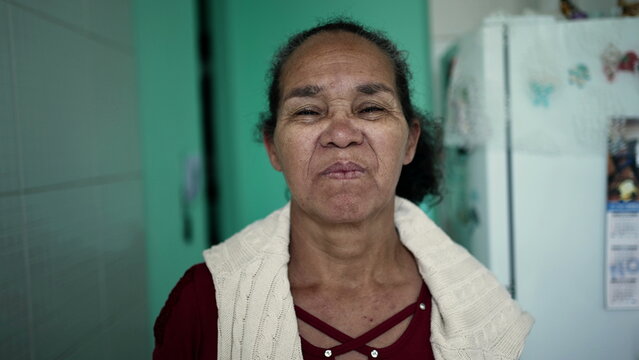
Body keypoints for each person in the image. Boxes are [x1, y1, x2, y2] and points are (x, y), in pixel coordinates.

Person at [153, 19, 533, 360]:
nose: (341, 134)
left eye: (370, 108)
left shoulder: (482, 308)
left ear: (410, 142)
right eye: (308, 111)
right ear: (273, 148)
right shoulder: (204, 303)